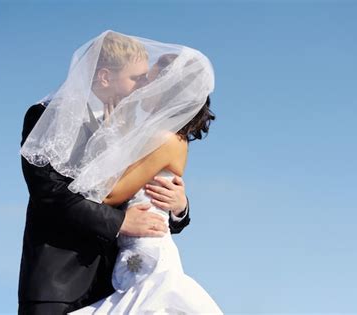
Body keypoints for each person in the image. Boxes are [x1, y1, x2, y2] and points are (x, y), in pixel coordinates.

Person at [18, 32, 191, 315]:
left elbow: (138, 187)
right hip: (59, 285)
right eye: (137, 78)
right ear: (105, 78)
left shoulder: (132, 126)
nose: (144, 85)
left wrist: (179, 205)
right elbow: (49, 195)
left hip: (120, 284)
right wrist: (120, 222)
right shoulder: (46, 115)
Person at [68, 43, 222, 313]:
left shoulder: (165, 139)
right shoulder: (154, 134)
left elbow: (110, 194)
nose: (140, 88)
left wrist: (110, 136)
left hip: (148, 254)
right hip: (129, 252)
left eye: (147, 82)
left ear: (164, 91)